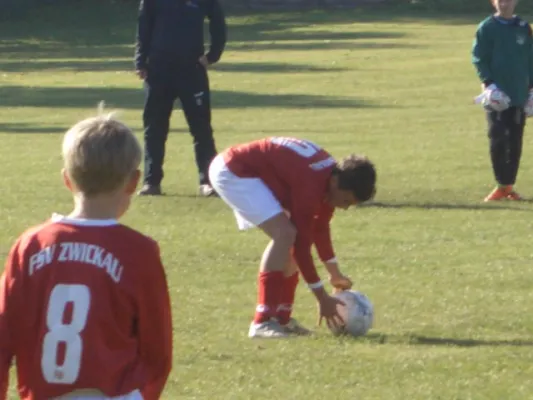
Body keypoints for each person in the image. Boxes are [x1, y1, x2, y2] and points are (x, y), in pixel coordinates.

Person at [0, 110, 173, 399]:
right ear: (133, 182)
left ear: (67, 179)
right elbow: (157, 348)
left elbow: (3, 336)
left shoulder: (31, 245)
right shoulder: (139, 251)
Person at [209, 136, 376, 338]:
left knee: (289, 237)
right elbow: (301, 248)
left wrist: (334, 273)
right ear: (335, 182)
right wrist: (322, 297)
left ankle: (282, 319)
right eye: (346, 200)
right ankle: (261, 322)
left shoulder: (331, 177)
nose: (345, 207)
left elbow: (320, 228)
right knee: (285, 235)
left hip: (251, 171)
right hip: (233, 171)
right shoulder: (311, 184)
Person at [134, 0, 227, 197]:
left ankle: (207, 182)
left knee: (201, 129)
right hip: (158, 71)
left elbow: (218, 22)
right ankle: (151, 182)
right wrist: (140, 60)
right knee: (154, 129)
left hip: (191, 70)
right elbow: (144, 25)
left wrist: (212, 55)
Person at [472, 0, 533, 202]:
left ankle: (508, 186)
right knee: (498, 138)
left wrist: (531, 89)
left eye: (508, 0)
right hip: (497, 95)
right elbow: (479, 57)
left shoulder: (523, 28)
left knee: (515, 141)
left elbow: (530, 59)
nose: (504, 4)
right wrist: (489, 84)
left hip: (519, 94)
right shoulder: (487, 27)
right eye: (500, 0)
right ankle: (500, 184)